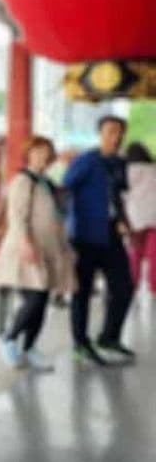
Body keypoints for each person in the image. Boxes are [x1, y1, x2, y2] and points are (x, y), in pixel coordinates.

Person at [0, 136, 75, 371]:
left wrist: (65, 249)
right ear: (29, 155)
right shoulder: (23, 180)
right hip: (27, 249)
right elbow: (17, 216)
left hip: (48, 249)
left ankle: (29, 347)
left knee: (42, 301)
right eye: (37, 151)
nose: (42, 156)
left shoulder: (46, 182)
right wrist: (26, 243)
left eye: (46, 152)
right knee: (35, 298)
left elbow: (57, 216)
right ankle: (9, 338)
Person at [64, 114, 135, 365]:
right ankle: (80, 345)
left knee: (125, 287)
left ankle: (109, 337)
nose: (116, 136)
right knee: (82, 291)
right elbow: (65, 188)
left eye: (119, 132)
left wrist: (125, 222)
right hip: (85, 235)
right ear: (101, 133)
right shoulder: (86, 160)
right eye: (111, 131)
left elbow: (117, 196)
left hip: (112, 235)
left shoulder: (118, 163)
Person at [123, 142, 156, 296]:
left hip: (134, 219)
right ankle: (153, 288)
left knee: (134, 255)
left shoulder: (126, 171)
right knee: (154, 256)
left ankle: (131, 286)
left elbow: (122, 195)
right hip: (154, 219)